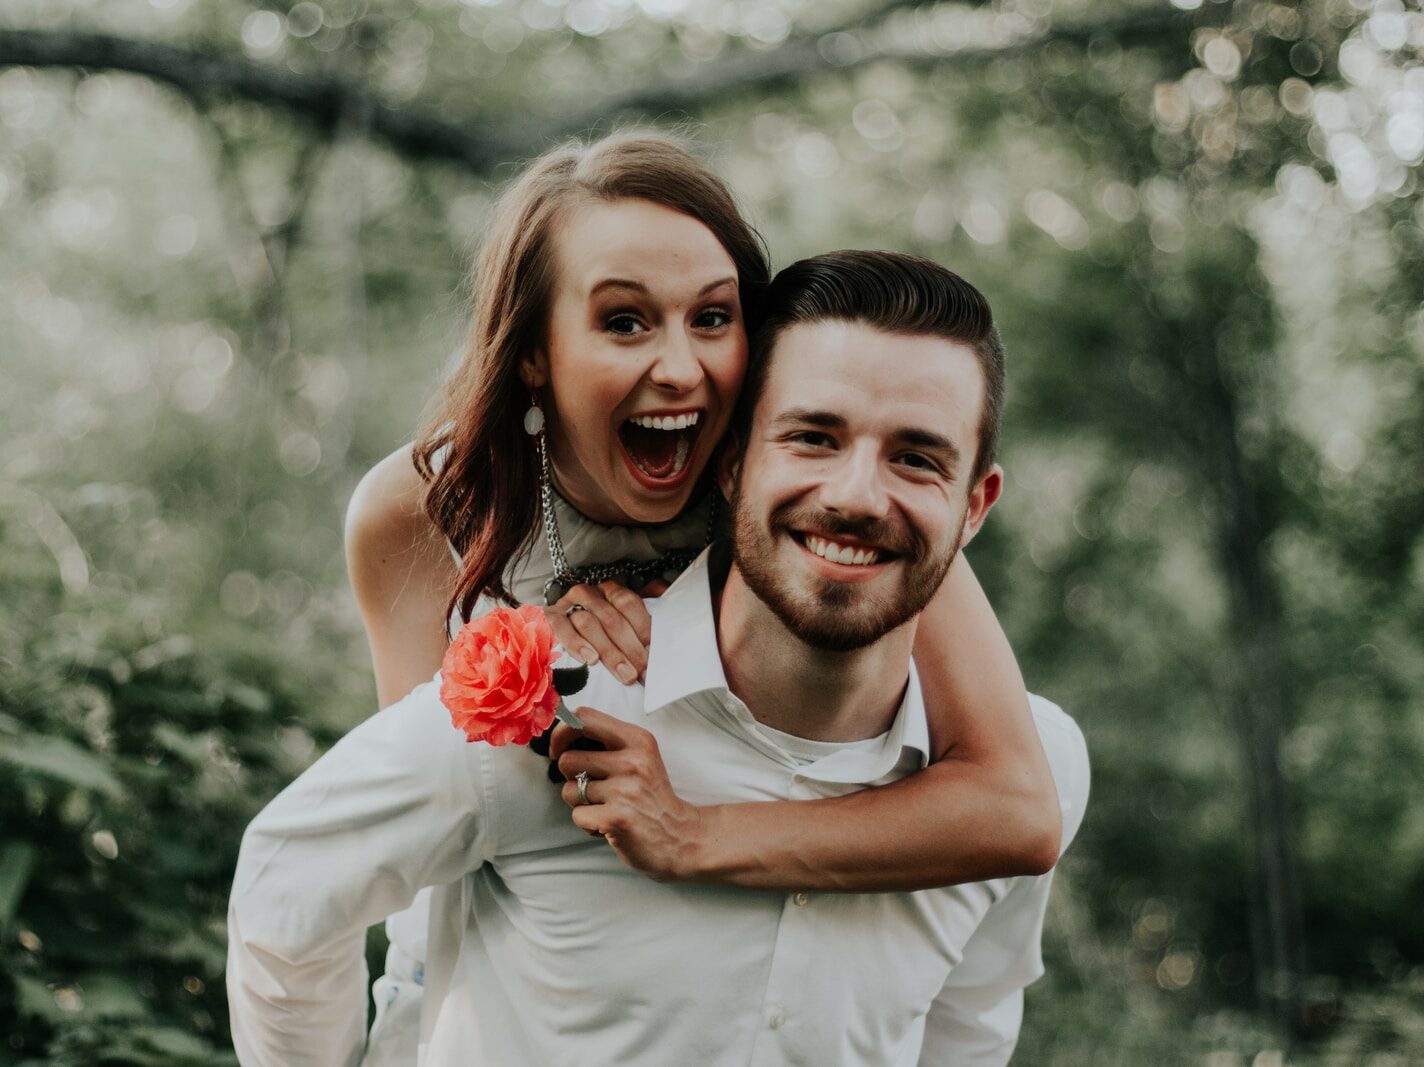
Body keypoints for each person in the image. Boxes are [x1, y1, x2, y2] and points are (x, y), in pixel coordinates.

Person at [227, 250, 1090, 1067]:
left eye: (916, 457)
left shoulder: (1035, 765)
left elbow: (965, 1028)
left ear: (976, 505)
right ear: (730, 462)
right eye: (813, 437)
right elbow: (286, 891)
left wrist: (696, 834)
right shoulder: (548, 710)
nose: (857, 495)